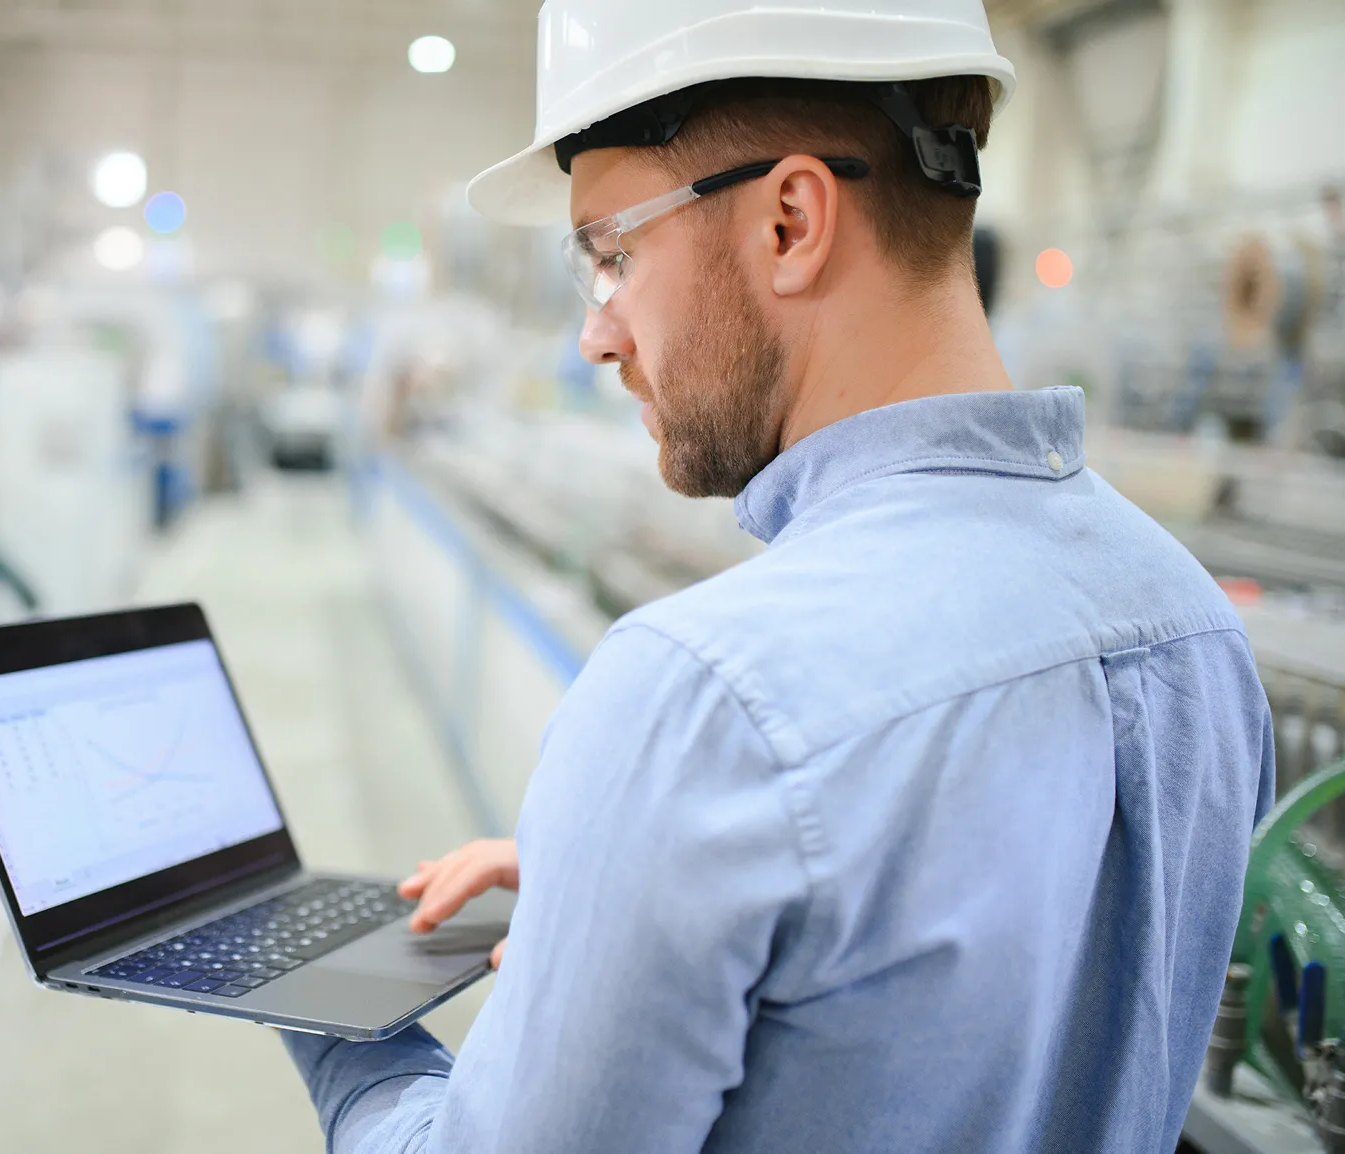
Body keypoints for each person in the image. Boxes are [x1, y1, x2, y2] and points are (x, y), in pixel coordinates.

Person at [279, 0, 1275, 1150]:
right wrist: (634, 879)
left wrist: (339, 1013)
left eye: (613, 254)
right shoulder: (1192, 626)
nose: (599, 334)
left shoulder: (705, 698)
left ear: (792, 220)